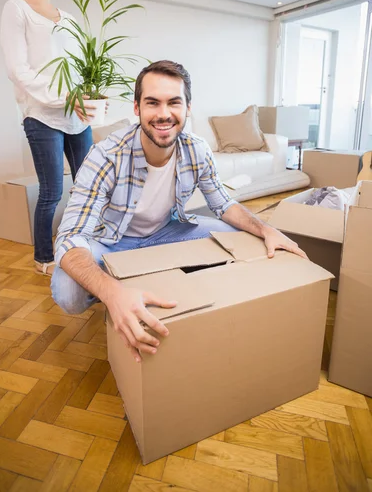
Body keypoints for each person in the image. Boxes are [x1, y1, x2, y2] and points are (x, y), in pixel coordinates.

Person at [51, 60, 306, 362]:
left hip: (167, 231)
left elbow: (223, 204)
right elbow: (69, 237)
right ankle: (122, 290)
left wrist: (267, 229)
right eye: (152, 103)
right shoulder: (106, 155)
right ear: (137, 108)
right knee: (69, 292)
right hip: (109, 241)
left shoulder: (196, 149)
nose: (163, 114)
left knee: (238, 238)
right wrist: (111, 293)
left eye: (174, 102)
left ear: (187, 108)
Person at [0, 0, 101, 276]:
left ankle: (79, 242)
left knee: (87, 186)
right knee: (52, 191)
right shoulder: (16, 10)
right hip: (42, 115)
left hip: (78, 117)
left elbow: (79, 68)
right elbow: (18, 70)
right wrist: (64, 98)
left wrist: (89, 94)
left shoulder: (69, 17)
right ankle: (44, 256)